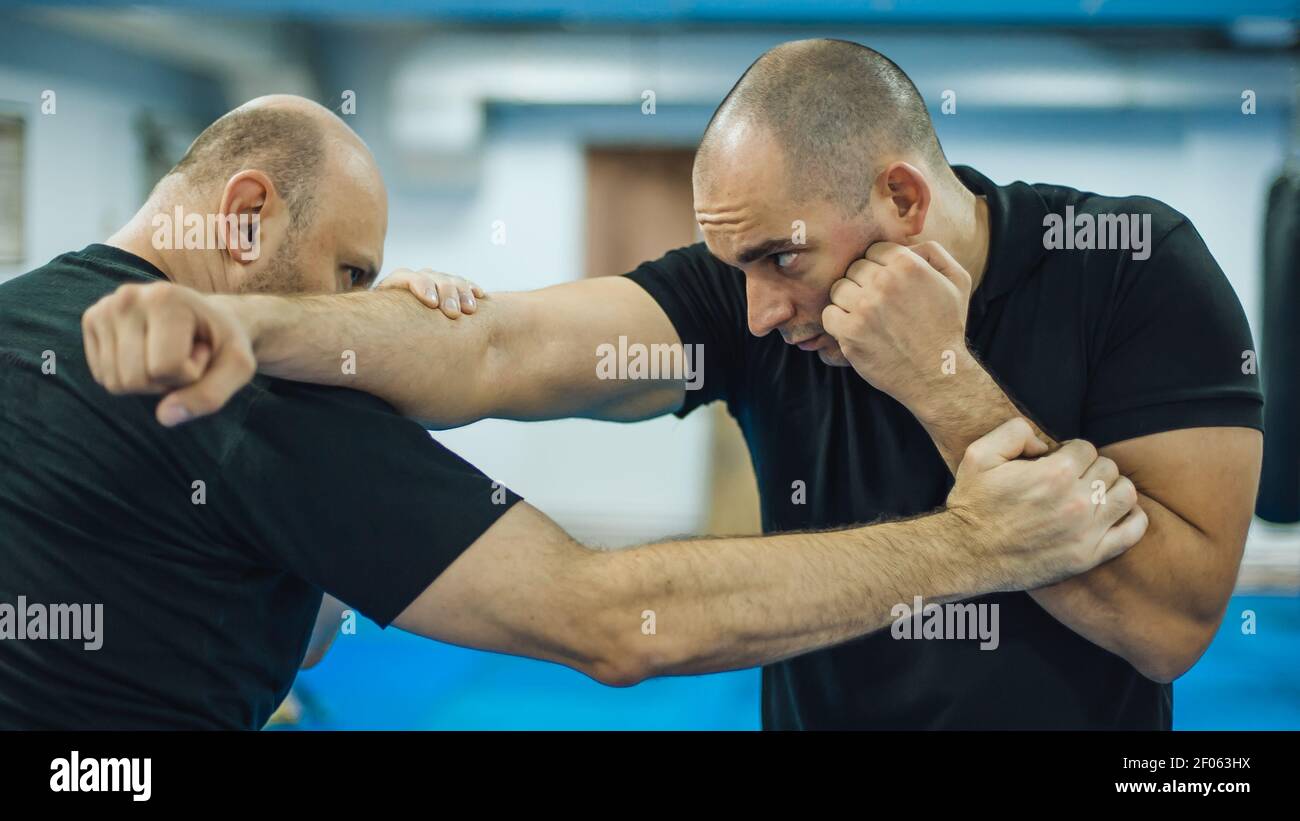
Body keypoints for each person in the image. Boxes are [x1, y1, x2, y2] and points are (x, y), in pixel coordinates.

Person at [89, 39, 1265, 730]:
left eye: (779, 260)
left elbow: (1165, 625)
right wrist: (231, 321)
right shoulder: (742, 300)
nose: (754, 311)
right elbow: (492, 349)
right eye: (734, 264)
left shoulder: (1131, 270)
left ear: (904, 201)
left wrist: (941, 382)